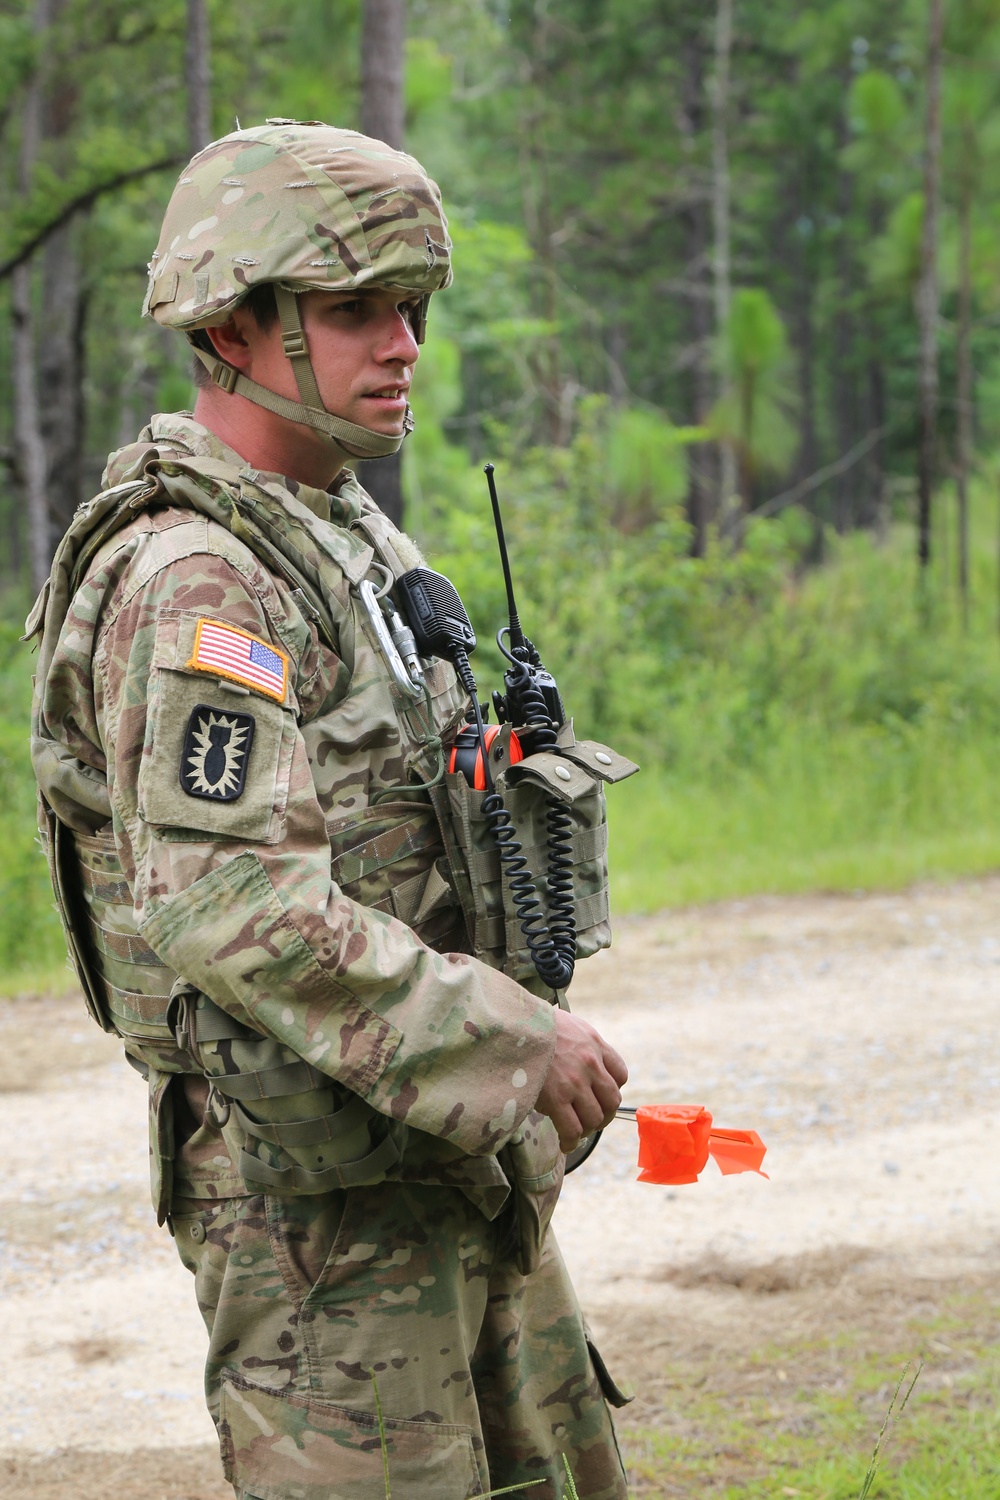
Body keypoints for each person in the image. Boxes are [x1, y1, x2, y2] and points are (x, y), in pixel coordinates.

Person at [28, 119, 634, 1500]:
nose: (404, 343)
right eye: (356, 309)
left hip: (443, 1157)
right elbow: (233, 904)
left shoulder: (347, 533)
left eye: (411, 309)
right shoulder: (194, 581)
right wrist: (513, 1044)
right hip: (316, 1215)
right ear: (235, 327)